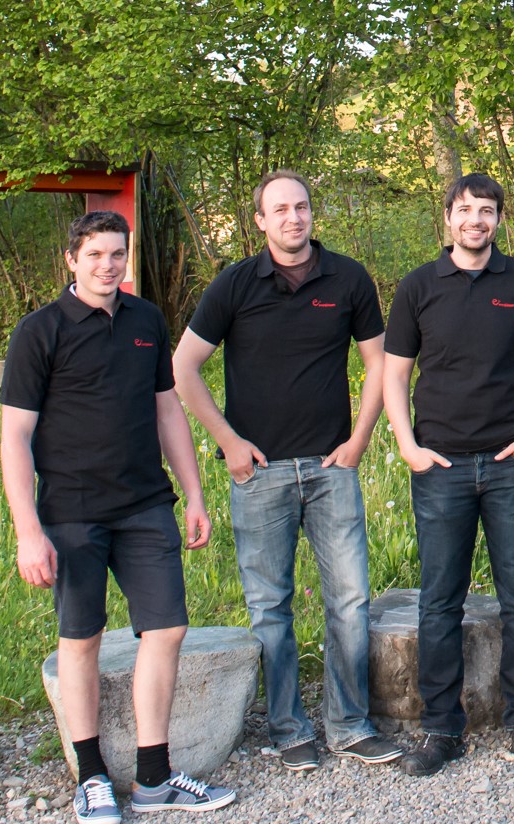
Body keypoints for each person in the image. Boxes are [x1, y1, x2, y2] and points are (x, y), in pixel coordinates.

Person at [1, 211, 235, 824]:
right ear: (71, 260)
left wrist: (194, 494)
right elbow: (15, 436)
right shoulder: (40, 331)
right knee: (81, 640)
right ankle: (92, 778)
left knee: (167, 629)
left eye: (117, 254)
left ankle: (154, 778)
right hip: (72, 514)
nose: (108, 266)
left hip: (145, 506)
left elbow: (167, 410)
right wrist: (28, 531)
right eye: (95, 255)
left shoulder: (146, 321)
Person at [173, 170, 401, 772]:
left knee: (350, 601)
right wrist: (228, 443)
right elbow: (183, 368)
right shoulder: (234, 284)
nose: (293, 218)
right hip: (260, 474)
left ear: (311, 213)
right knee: (270, 607)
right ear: (260, 221)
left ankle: (349, 724)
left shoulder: (348, 279)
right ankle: (287, 727)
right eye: (279, 210)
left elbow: (379, 364)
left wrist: (359, 439)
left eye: (301, 207)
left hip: (331, 469)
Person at [383, 172, 514, 776]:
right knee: (440, 600)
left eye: (486, 211)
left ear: (499, 220)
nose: (475, 221)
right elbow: (394, 374)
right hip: (441, 467)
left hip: (513, 466)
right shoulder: (418, 287)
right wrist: (407, 445)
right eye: (464, 210)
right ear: (448, 218)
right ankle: (441, 729)